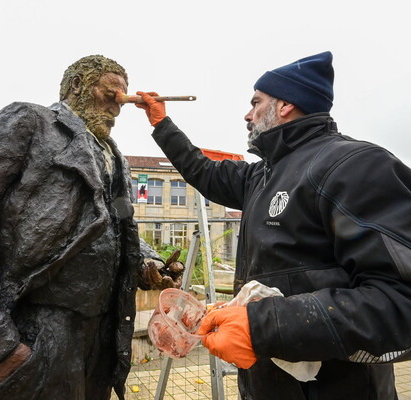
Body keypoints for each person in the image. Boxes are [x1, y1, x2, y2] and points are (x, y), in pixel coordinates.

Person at [134, 51, 411, 399]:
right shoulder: (261, 176)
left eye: (255, 102)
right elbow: (203, 170)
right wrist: (161, 123)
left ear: (285, 106)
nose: (247, 115)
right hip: (267, 386)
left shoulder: (354, 166)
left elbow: (399, 301)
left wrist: (261, 325)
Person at [0, 54, 182, 400]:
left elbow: (122, 226)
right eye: (111, 94)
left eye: (123, 98)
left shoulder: (115, 157)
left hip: (99, 338)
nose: (119, 105)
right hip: (34, 331)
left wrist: (146, 262)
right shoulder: (30, 122)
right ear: (77, 86)